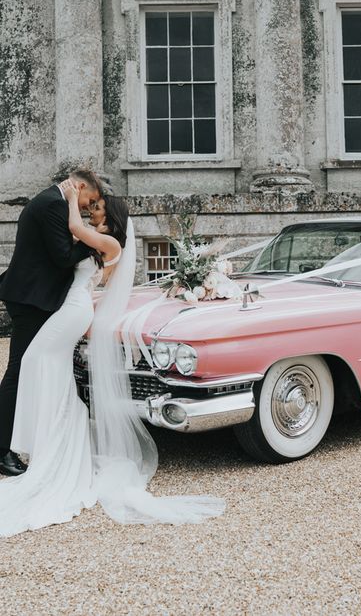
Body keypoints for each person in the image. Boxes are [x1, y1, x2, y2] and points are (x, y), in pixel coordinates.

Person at [0, 183, 224, 537]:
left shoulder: (110, 244)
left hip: (74, 311)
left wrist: (71, 198)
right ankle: (50, 441)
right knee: (43, 366)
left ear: (112, 215)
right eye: (93, 205)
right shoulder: (95, 238)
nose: (94, 209)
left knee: (35, 362)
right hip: (71, 308)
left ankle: (55, 441)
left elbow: (73, 229)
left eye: (99, 207)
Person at [0, 169, 101, 476]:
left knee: (31, 367)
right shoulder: (53, 204)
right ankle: (2, 450)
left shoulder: (49, 201)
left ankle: (27, 439)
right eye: (90, 199)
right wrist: (94, 242)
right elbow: (62, 257)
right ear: (80, 186)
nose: (89, 207)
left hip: (36, 297)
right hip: (32, 300)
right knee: (19, 370)